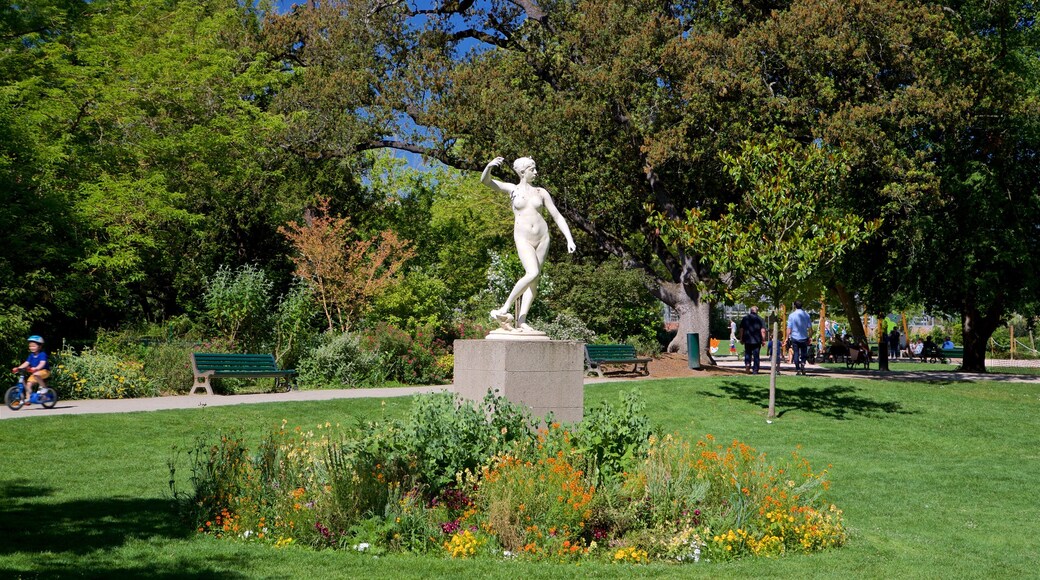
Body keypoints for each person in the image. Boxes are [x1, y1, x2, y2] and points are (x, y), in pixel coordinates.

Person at [481, 156, 576, 332]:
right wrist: (489, 167)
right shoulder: (512, 189)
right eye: (533, 169)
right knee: (531, 272)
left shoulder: (541, 192)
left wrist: (569, 238)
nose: (536, 172)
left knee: (534, 280)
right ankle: (505, 308)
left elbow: (556, 216)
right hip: (523, 237)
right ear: (523, 172)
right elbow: (486, 182)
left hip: (542, 238)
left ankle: (522, 320)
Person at [12, 335, 50, 406]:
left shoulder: (42, 354)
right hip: (35, 373)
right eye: (30, 346)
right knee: (28, 384)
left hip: (44, 371)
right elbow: (26, 363)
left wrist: (36, 368)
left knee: (36, 374)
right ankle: (28, 399)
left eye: (33, 346)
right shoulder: (31, 355)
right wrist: (18, 368)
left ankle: (44, 388)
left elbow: (42, 363)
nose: (31, 348)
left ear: (40, 346)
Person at [738, 306, 766, 374]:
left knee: (748, 353)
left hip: (747, 339)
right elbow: (763, 331)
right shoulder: (760, 319)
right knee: (756, 355)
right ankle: (755, 370)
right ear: (757, 311)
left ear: (750, 311)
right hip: (757, 340)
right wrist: (763, 340)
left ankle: (747, 364)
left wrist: (741, 338)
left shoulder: (745, 318)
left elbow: (741, 329)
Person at [786, 300, 811, 375]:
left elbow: (789, 328)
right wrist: (810, 337)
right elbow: (810, 328)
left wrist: (787, 337)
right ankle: (803, 363)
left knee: (796, 353)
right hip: (804, 337)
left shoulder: (791, 315)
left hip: (795, 337)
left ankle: (797, 368)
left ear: (795, 306)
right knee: (804, 352)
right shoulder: (806, 315)